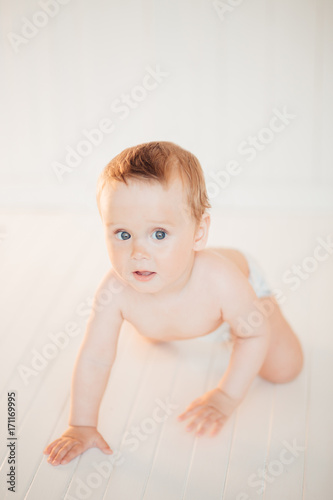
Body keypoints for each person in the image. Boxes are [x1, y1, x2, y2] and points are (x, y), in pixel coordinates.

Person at [44, 141, 303, 466]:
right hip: (179, 304)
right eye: (123, 234)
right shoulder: (116, 289)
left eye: (159, 234)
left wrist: (225, 397)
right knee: (155, 331)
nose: (139, 252)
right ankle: (170, 316)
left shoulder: (222, 279)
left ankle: (264, 313)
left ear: (198, 233)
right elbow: (95, 358)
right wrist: (81, 425)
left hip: (244, 293)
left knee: (284, 369)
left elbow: (253, 336)